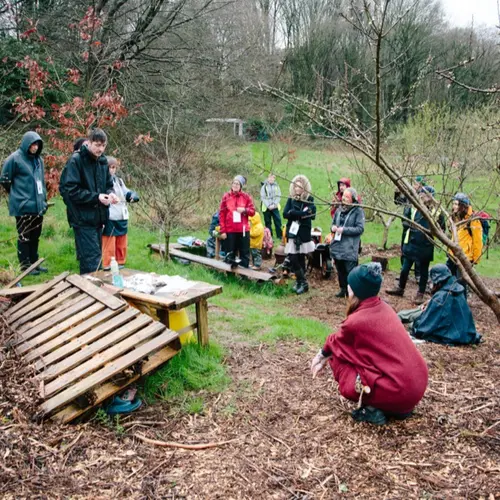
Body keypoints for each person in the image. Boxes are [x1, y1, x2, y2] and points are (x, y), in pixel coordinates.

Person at [310, 263, 428, 425]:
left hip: (400, 391)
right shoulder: (386, 308)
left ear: (356, 290)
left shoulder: (356, 321)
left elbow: (336, 343)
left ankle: (378, 408)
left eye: (350, 286)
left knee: (338, 360)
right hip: (416, 386)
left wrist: (322, 356)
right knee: (345, 352)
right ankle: (394, 407)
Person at [59, 128, 118, 275]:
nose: (100, 149)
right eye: (97, 145)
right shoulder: (76, 160)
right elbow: (71, 191)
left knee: (92, 258)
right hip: (82, 217)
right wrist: (96, 197)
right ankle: (91, 292)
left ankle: (86, 290)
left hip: (98, 217)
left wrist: (111, 195)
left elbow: (108, 186)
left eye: (103, 146)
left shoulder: (103, 162)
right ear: (89, 143)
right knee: (92, 260)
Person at [387, 186, 445, 304]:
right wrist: (410, 226)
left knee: (423, 271)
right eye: (421, 194)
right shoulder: (414, 206)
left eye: (424, 194)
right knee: (405, 269)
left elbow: (441, 229)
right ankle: (400, 288)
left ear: (430, 197)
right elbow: (405, 219)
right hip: (412, 242)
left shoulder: (436, 211)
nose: (421, 196)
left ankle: (420, 294)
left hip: (426, 245)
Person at [0, 131, 48, 275]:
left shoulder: (39, 160)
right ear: (26, 144)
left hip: (38, 205)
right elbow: (4, 179)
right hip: (23, 206)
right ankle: (25, 266)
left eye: (37, 145)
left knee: (35, 236)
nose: (34, 147)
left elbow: (41, 182)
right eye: (33, 144)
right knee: (25, 236)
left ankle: (35, 263)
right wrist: (17, 194)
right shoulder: (14, 159)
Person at [398, 264, 481, 346]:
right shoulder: (457, 288)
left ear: (437, 281)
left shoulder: (441, 297)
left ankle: (399, 317)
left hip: (450, 331)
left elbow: (426, 325)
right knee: (412, 314)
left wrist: (416, 324)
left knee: (412, 323)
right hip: (464, 332)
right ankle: (400, 316)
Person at [101, 157, 139, 270]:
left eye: (114, 167)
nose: (112, 170)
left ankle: (120, 262)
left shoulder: (119, 180)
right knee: (109, 242)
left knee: (121, 241)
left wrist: (132, 195)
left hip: (122, 215)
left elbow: (126, 192)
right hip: (110, 215)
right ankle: (107, 264)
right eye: (110, 167)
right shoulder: (102, 181)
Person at [283, 174, 316, 294]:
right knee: (292, 257)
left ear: (304, 188)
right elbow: (285, 213)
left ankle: (302, 283)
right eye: (295, 186)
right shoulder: (291, 198)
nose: (297, 189)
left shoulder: (309, 200)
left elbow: (311, 214)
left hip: (303, 233)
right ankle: (301, 281)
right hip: (292, 231)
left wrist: (295, 212)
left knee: (300, 257)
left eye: (300, 187)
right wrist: (299, 213)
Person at [330, 187, 365, 298]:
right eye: (343, 196)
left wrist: (344, 230)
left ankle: (353, 292)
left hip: (349, 247)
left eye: (347, 197)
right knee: (340, 269)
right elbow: (332, 224)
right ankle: (343, 289)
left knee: (350, 271)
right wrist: (333, 228)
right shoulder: (339, 209)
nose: (344, 198)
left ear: (353, 199)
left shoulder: (358, 211)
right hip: (338, 246)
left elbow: (360, 229)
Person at [447, 192, 482, 295]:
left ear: (463, 206)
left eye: (456, 204)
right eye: (453, 203)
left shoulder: (473, 219)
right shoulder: (456, 216)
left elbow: (477, 241)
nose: (454, 206)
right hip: (452, 255)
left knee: (461, 284)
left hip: (464, 257)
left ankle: (462, 307)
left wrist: (475, 259)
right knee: (449, 280)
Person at [219, 175, 255, 269]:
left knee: (244, 253)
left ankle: (244, 276)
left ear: (241, 186)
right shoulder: (226, 196)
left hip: (243, 230)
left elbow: (252, 212)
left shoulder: (246, 197)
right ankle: (230, 275)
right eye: (234, 183)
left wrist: (244, 210)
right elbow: (222, 214)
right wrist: (223, 231)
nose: (235, 185)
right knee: (230, 253)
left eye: (237, 184)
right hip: (230, 230)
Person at [260, 173, 282, 238]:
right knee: (268, 222)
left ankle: (279, 235)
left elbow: (279, 195)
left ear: (274, 179)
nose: (271, 179)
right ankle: (269, 236)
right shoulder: (264, 186)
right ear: (268, 178)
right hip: (266, 207)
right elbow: (263, 197)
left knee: (278, 221)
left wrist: (274, 204)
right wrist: (268, 205)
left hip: (275, 207)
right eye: (270, 177)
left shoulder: (277, 186)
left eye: (273, 177)